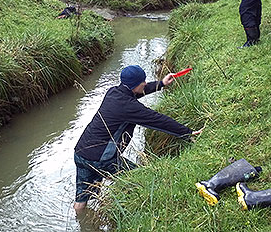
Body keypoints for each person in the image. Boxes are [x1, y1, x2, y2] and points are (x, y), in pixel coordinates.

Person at [73, 65, 203, 211]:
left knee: (82, 196)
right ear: (135, 85)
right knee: (140, 179)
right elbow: (157, 120)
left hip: (80, 152)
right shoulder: (130, 107)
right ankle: (137, 209)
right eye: (143, 81)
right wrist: (186, 132)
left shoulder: (113, 92)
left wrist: (160, 84)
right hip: (101, 159)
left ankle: (81, 221)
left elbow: (135, 93)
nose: (146, 83)